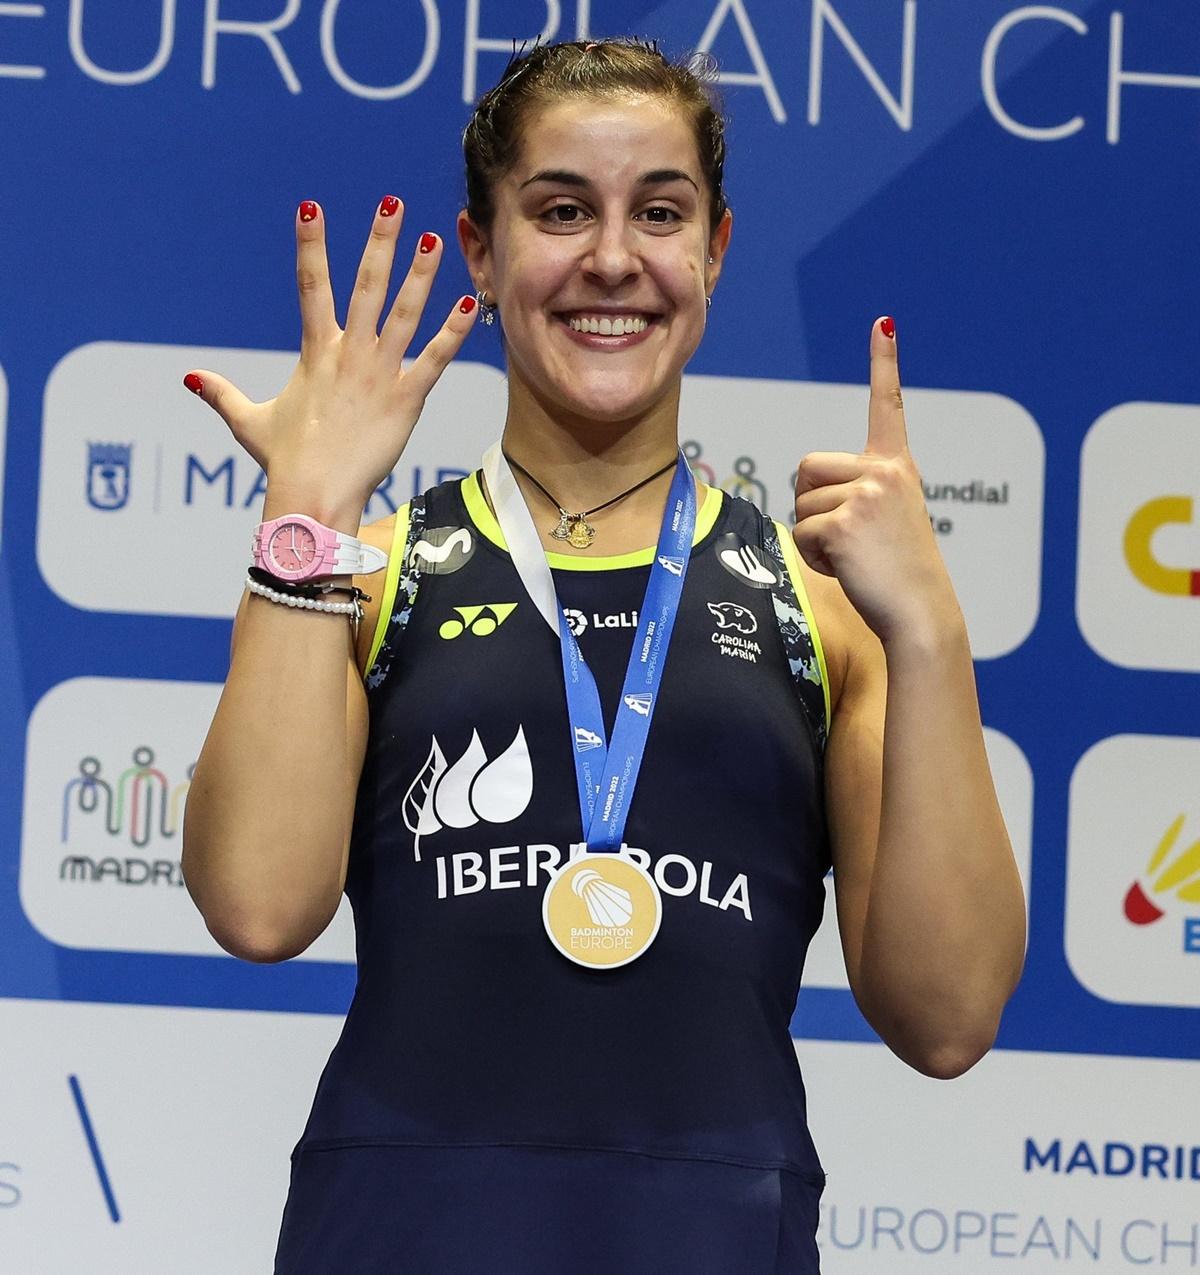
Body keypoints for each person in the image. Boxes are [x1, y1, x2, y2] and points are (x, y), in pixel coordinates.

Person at [180, 38, 1026, 1275]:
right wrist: (305, 505)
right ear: (482, 249)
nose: (615, 259)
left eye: (661, 213)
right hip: (403, 1234)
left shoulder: (828, 605)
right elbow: (255, 907)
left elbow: (948, 1020)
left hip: (712, 1240)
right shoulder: (360, 569)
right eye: (561, 210)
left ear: (717, 251)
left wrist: (933, 633)